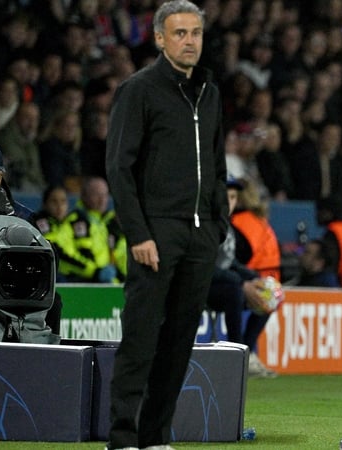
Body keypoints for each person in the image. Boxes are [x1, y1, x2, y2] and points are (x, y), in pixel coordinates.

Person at [104, 1, 229, 449]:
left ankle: (155, 437)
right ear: (159, 38)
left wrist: (219, 226)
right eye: (180, 33)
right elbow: (119, 167)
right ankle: (121, 439)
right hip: (155, 233)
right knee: (139, 341)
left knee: (179, 345)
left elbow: (216, 165)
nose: (190, 40)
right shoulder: (139, 90)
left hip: (199, 236)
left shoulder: (209, 92)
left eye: (196, 32)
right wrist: (138, 233)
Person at [0, 140, 62, 335]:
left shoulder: (21, 215)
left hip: (9, 289)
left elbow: (46, 258)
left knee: (54, 302)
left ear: (2, 174)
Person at [207, 176, 276, 378]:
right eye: (226, 197)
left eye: (234, 197)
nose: (230, 202)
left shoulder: (228, 227)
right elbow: (206, 266)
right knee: (235, 292)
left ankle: (247, 350)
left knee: (267, 293)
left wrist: (255, 278)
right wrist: (242, 282)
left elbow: (230, 262)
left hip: (225, 283)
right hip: (204, 287)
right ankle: (237, 354)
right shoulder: (207, 225)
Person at [59, 176, 122, 283]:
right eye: (96, 195)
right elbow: (64, 252)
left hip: (103, 283)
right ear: (84, 196)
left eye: (105, 195)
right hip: (82, 283)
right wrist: (95, 272)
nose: (102, 200)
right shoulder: (76, 220)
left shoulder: (104, 222)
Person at [29, 185, 76, 282]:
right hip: (53, 273)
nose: (59, 206)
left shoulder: (70, 223)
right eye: (54, 201)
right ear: (45, 204)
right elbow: (56, 252)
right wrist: (91, 270)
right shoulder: (39, 223)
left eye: (63, 201)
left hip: (73, 271)